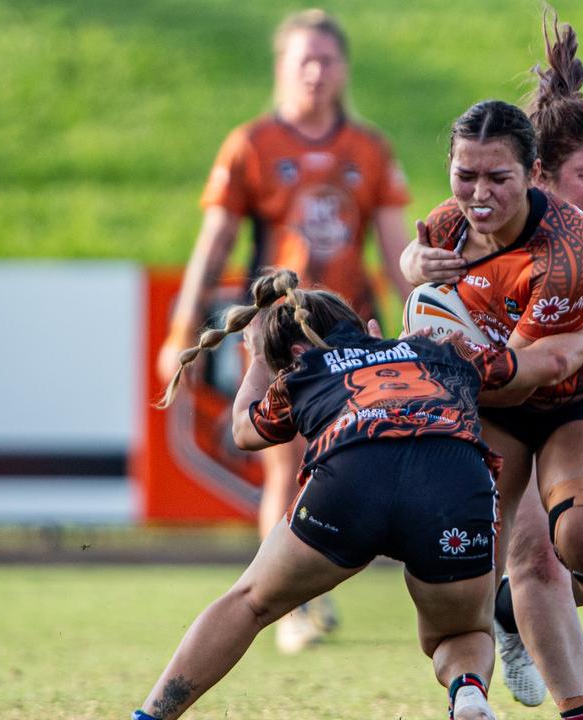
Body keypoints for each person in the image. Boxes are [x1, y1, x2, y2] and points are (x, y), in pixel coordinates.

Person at [134, 268, 583, 720]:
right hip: (454, 479)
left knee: (250, 603)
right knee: (463, 630)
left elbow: (245, 430)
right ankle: (469, 691)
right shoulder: (440, 348)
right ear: (369, 327)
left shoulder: (305, 372)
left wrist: (260, 360)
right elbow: (548, 362)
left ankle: (150, 716)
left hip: (353, 477)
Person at [403, 13, 583, 718]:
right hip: (510, 398)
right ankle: (569, 701)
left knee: (577, 540)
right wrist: (416, 268)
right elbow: (423, 264)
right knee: (522, 555)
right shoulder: (473, 212)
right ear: (544, 178)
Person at [155, 9, 414, 654]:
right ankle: (290, 606)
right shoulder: (252, 144)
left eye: (326, 59)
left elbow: (395, 250)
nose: (315, 71)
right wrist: (182, 332)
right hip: (283, 334)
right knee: (287, 466)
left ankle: (406, 586)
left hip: (356, 332)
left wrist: (429, 327)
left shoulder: (369, 148)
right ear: (282, 67)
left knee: (374, 459)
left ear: (343, 69)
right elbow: (213, 244)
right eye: (303, 58)